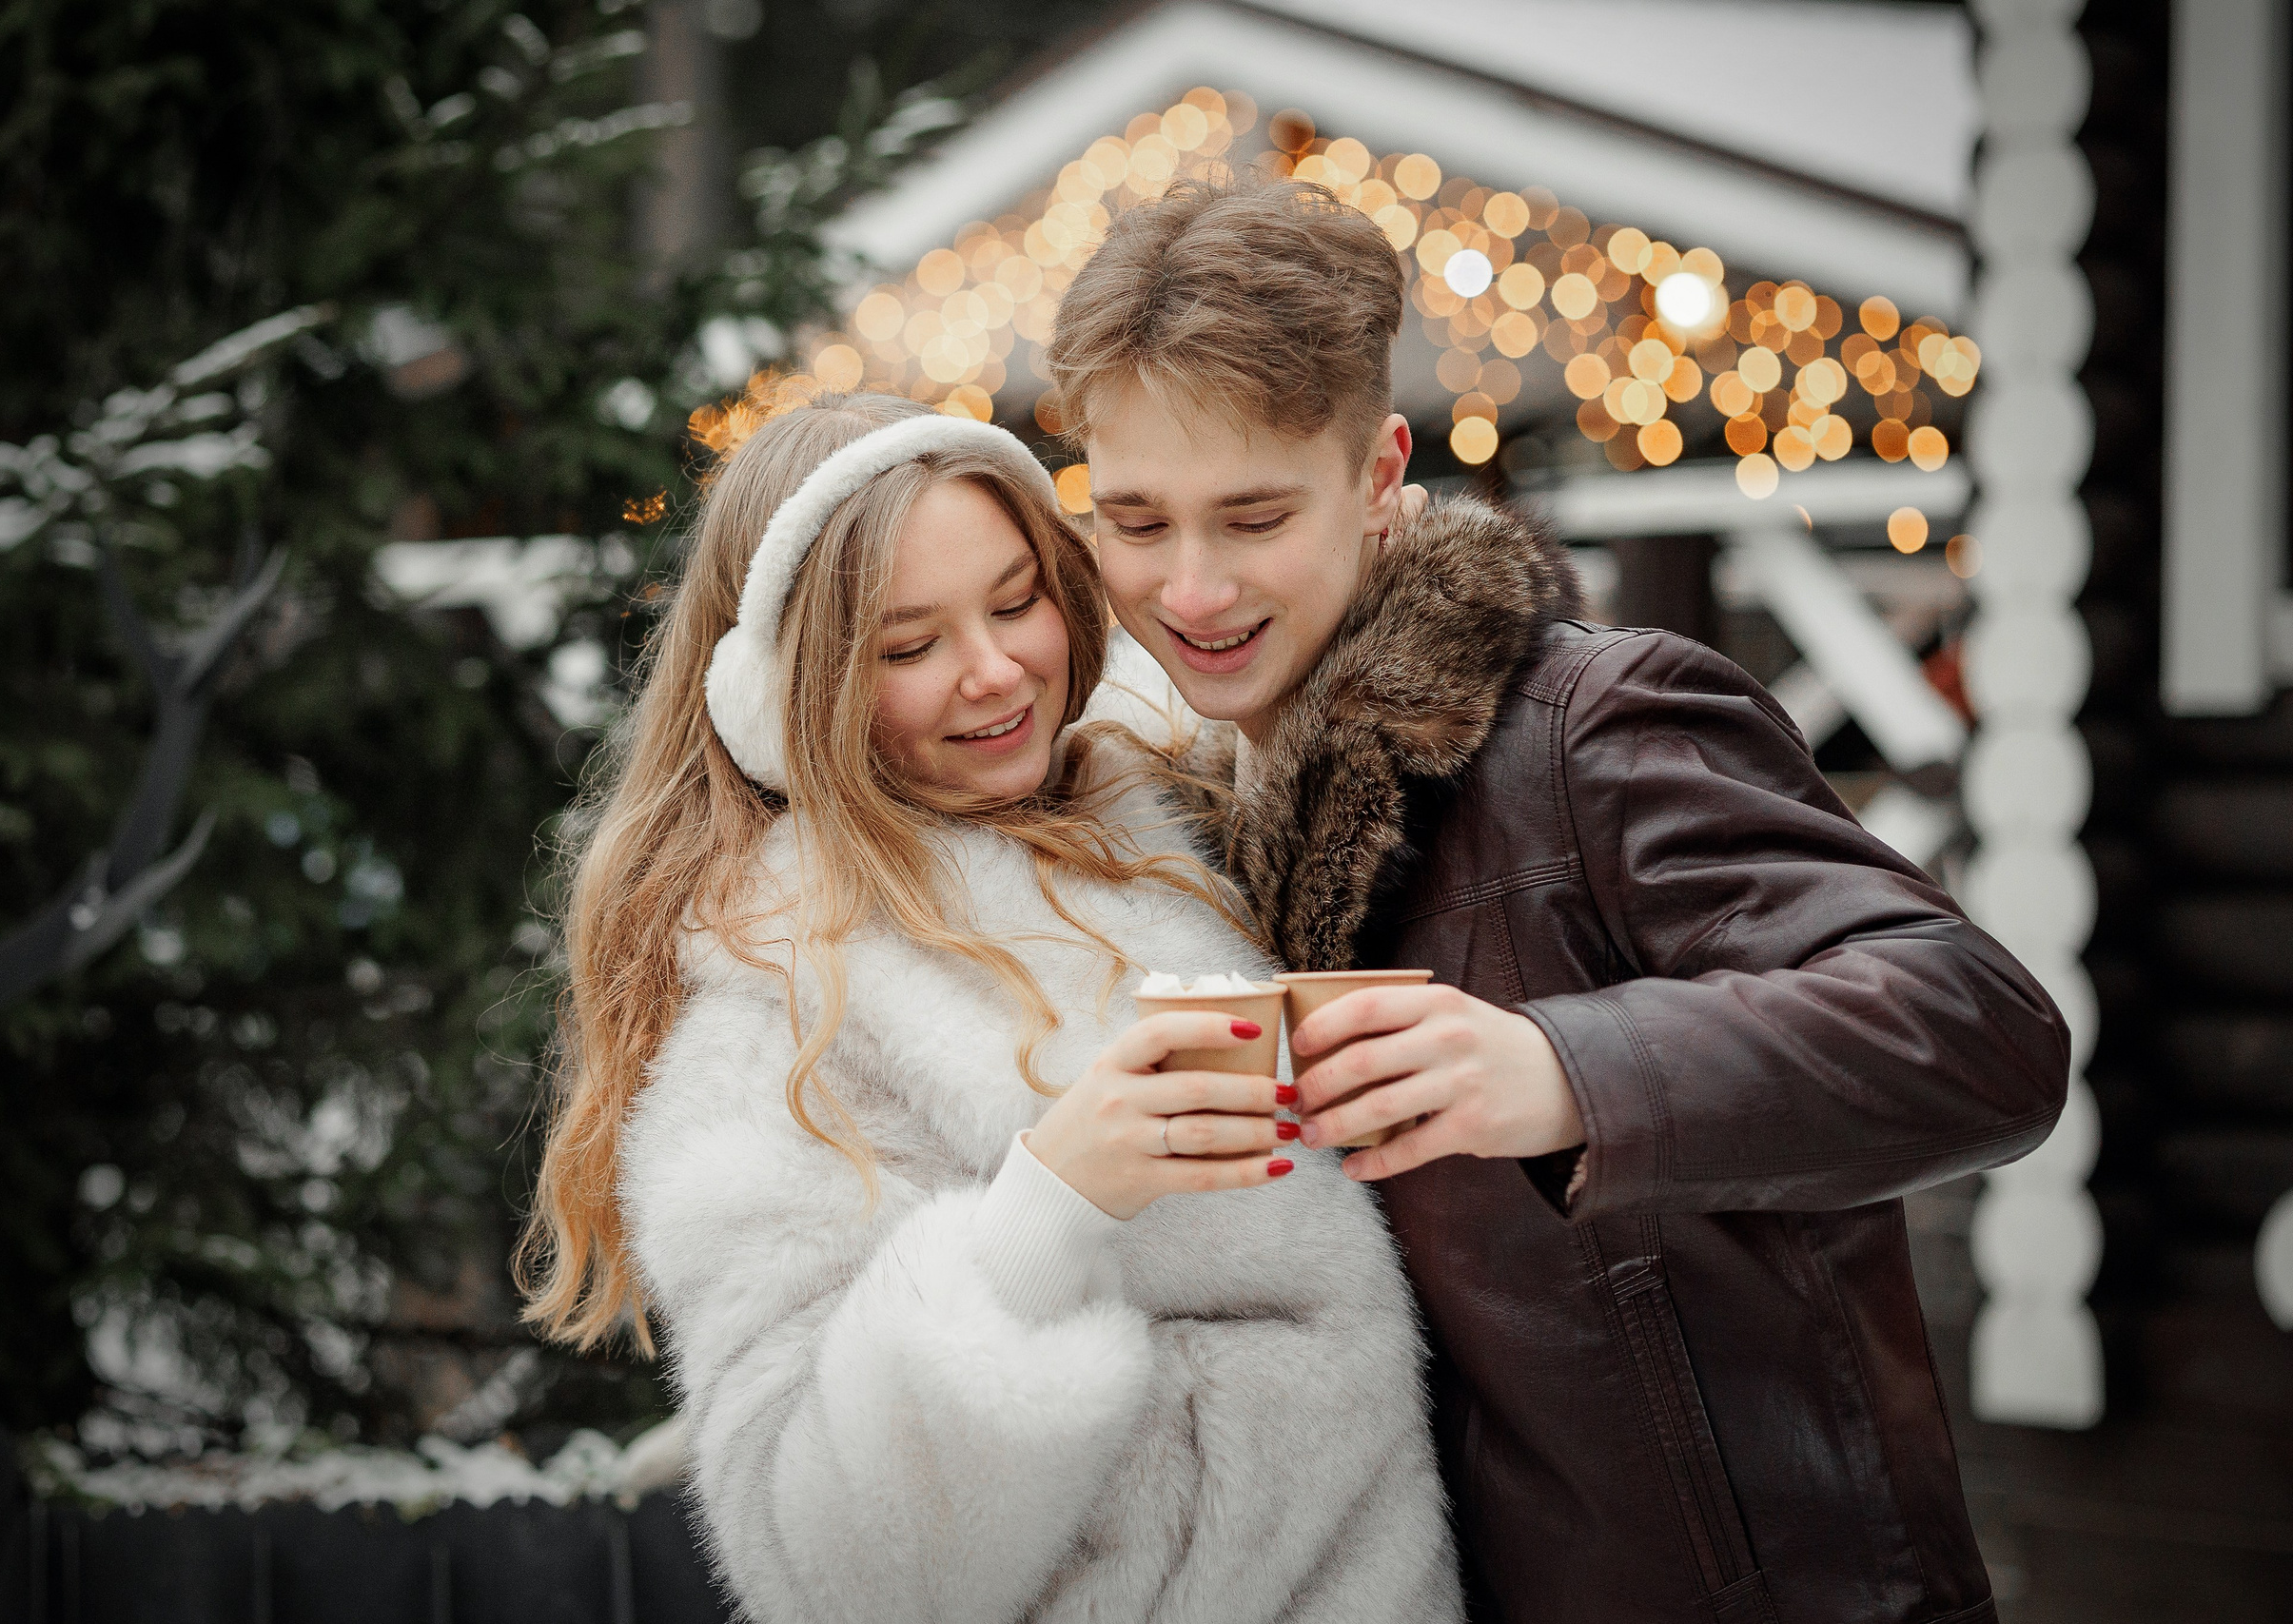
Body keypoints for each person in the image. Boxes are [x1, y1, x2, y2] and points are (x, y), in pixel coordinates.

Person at [1047, 172, 2072, 1624]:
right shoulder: (1177, 816)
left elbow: (1982, 1030)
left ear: (1380, 473)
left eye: (1254, 515)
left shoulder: (1592, 722)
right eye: (1136, 522)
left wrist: (1563, 1069)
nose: (1192, 588)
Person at [516, 393, 1459, 1624]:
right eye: (908, 646)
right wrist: (1045, 1208)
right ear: (790, 696)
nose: (996, 668)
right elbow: (822, 1570)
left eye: (1015, 600)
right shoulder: (777, 1016)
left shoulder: (1174, 805)